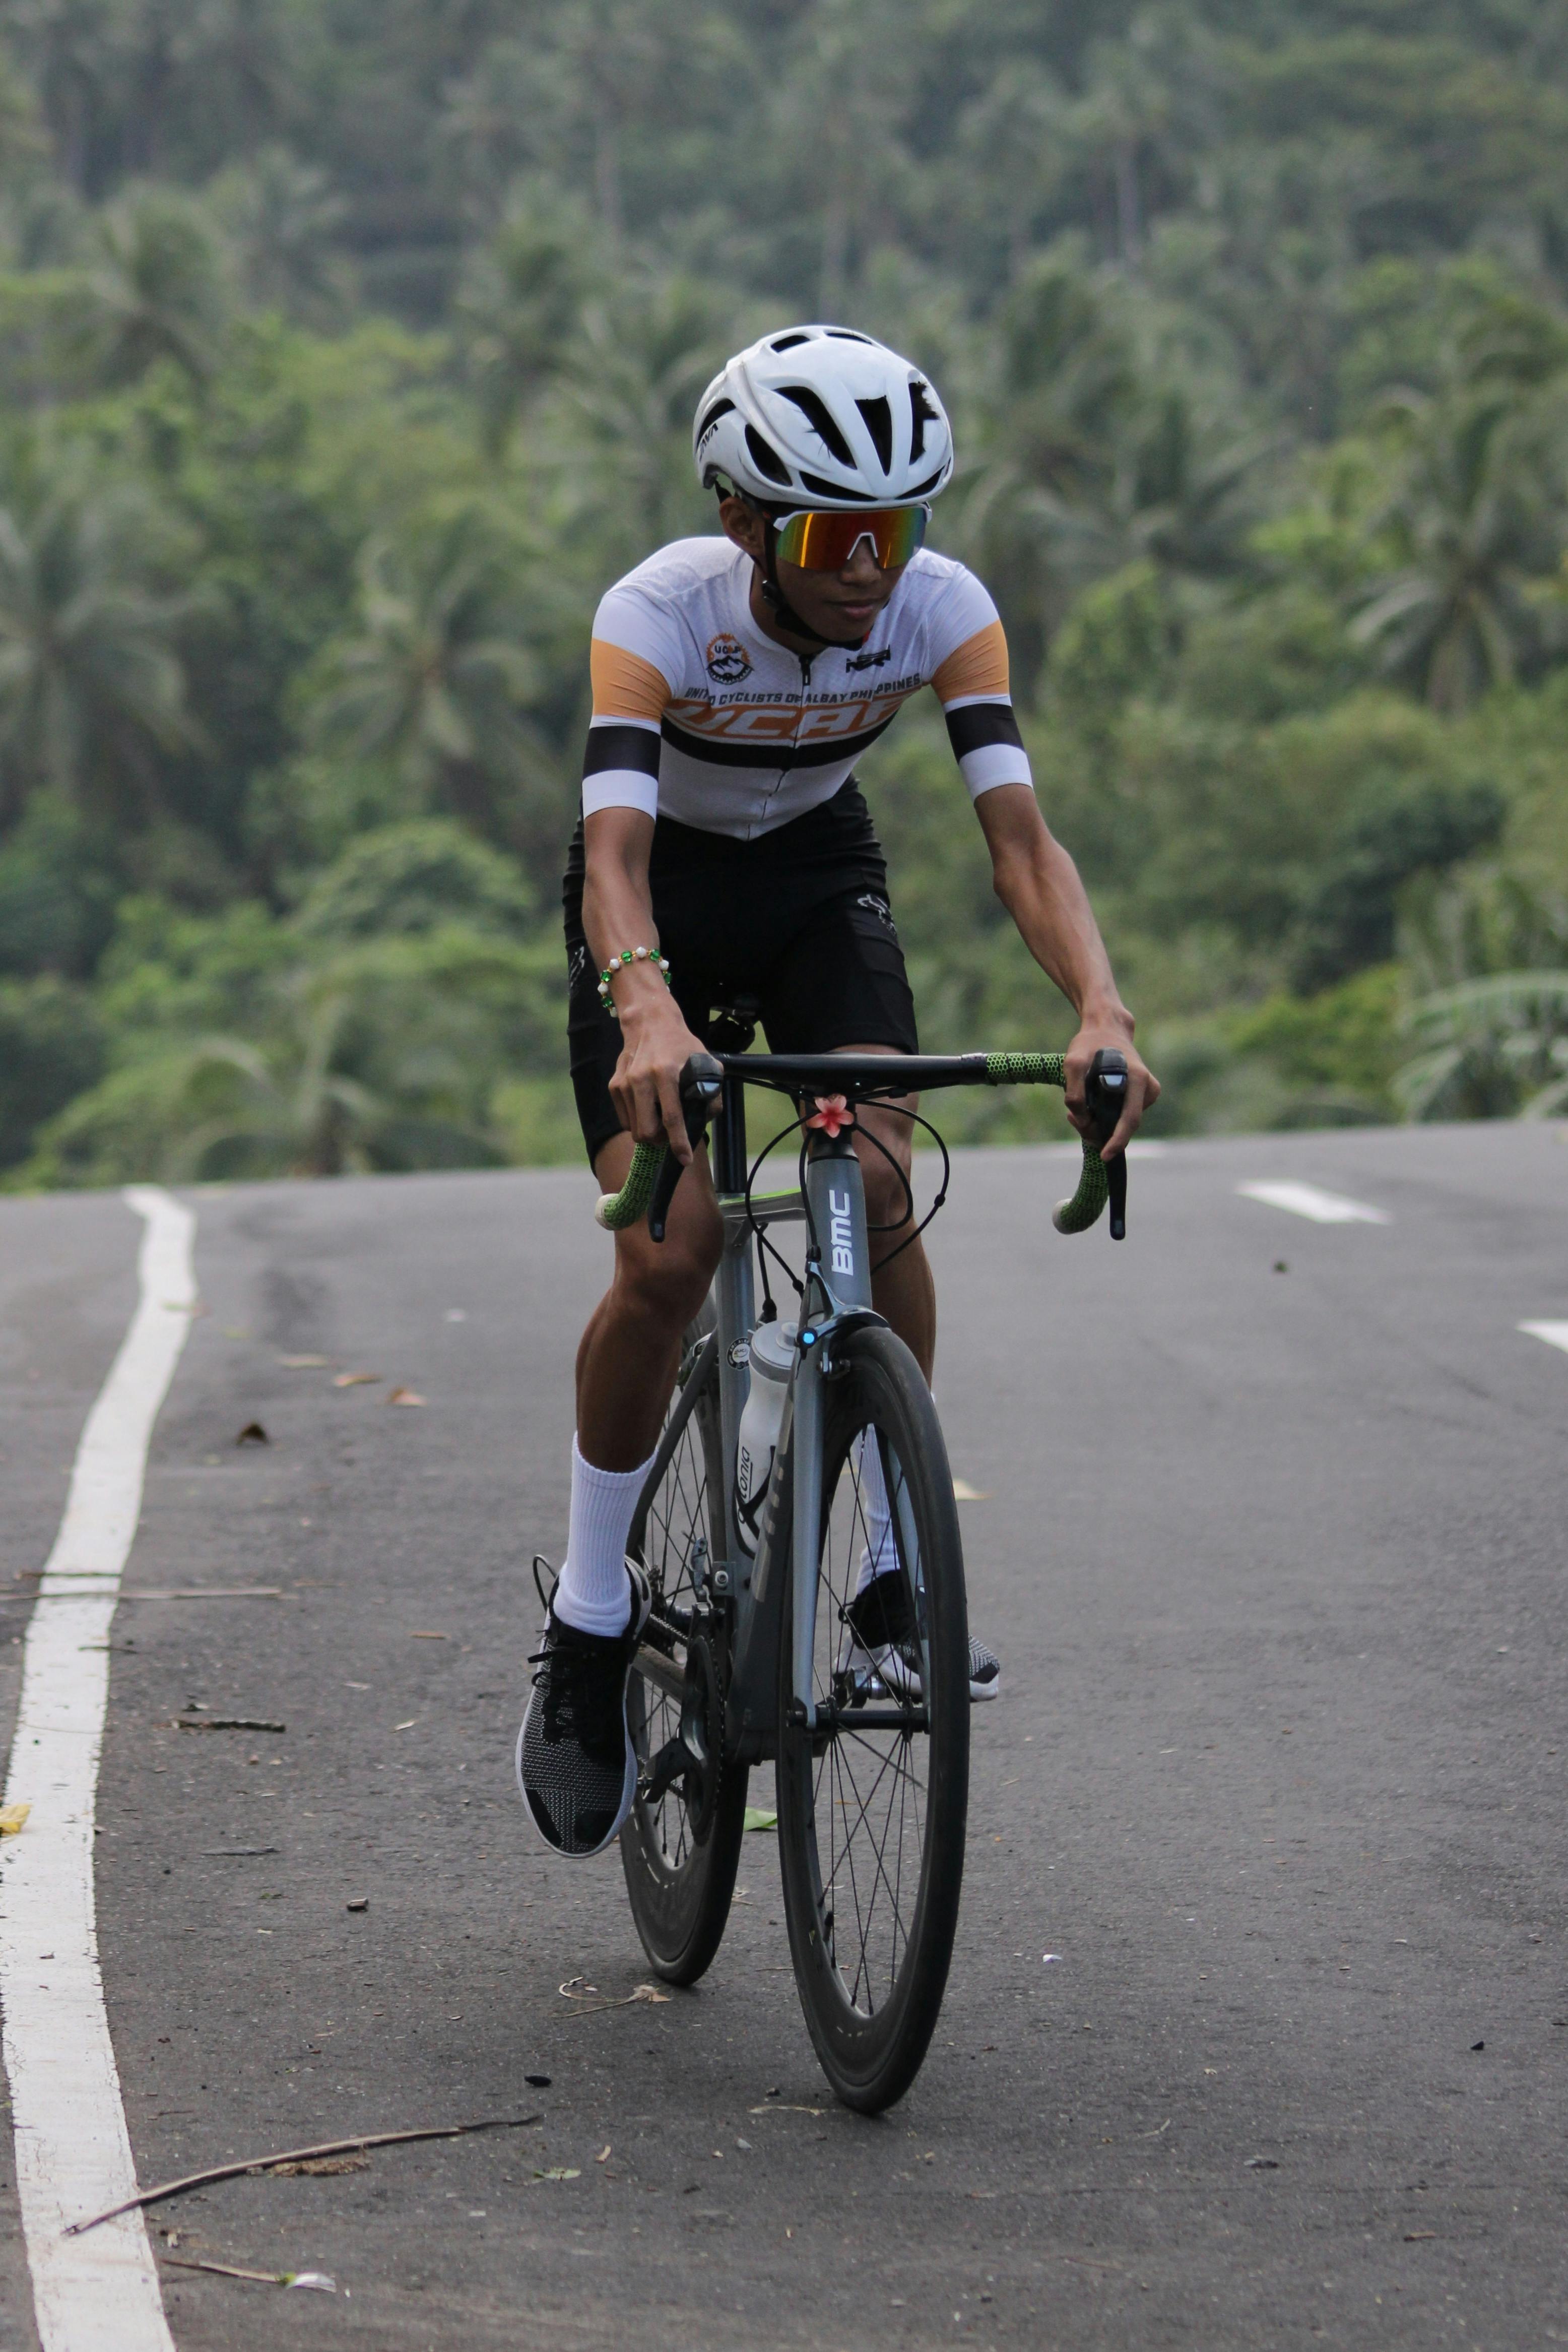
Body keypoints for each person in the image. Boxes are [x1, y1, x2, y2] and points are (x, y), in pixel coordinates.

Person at [518, 324, 1158, 1858]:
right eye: (832, 534)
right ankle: (593, 1623)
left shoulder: (943, 608)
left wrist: (1100, 1006)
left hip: (816, 880)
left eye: (898, 527)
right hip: (661, 896)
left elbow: (1020, 843)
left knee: (876, 1176)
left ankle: (885, 1579)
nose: (872, 568)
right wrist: (647, 1000)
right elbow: (611, 856)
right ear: (746, 521)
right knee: (668, 1257)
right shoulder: (657, 612)